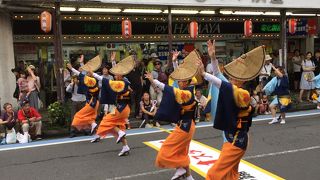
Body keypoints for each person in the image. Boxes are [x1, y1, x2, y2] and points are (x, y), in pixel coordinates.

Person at [198, 40, 264, 180]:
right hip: (231, 137)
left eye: (236, 75)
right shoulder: (231, 87)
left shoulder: (243, 94)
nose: (232, 76)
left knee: (213, 174)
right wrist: (213, 57)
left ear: (243, 80)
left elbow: (222, 84)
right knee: (231, 174)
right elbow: (217, 74)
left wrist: (204, 74)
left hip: (236, 140)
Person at [145, 50, 200, 180]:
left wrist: (154, 81)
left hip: (185, 127)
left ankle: (181, 169)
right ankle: (188, 176)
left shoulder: (187, 93)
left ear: (185, 82)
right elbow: (177, 82)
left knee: (165, 151)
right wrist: (175, 62)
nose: (178, 81)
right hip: (187, 126)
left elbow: (169, 89)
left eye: (181, 81)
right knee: (181, 153)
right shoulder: (186, 90)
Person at [90, 55, 133, 157]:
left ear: (120, 75)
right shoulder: (123, 82)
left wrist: (94, 75)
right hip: (124, 109)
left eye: (116, 74)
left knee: (106, 122)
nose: (114, 75)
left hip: (121, 108)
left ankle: (120, 134)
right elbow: (114, 79)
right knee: (119, 127)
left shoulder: (121, 83)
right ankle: (125, 146)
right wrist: (113, 62)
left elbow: (105, 81)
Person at [67, 62, 100, 138]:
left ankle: (92, 126)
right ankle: (95, 133)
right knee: (89, 117)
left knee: (78, 116)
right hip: (93, 102)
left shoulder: (89, 80)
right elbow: (82, 74)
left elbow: (81, 74)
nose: (86, 74)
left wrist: (71, 68)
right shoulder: (93, 80)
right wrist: (81, 63)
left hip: (91, 102)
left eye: (88, 73)